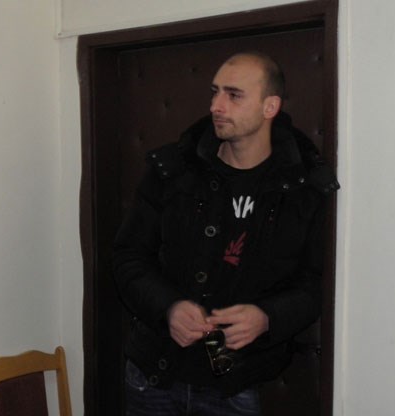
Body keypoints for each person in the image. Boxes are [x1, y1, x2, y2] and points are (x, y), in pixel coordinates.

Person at [113, 51, 339, 416]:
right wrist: (168, 307)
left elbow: (316, 283)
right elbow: (128, 257)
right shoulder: (173, 171)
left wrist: (267, 317)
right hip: (154, 375)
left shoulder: (303, 189)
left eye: (234, 95)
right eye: (215, 92)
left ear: (270, 106)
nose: (216, 106)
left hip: (240, 386)